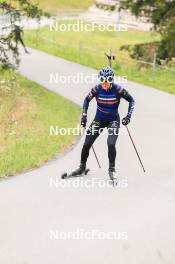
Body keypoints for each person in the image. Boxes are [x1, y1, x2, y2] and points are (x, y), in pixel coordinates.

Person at [74, 66, 135, 183]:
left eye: (106, 81)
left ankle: (112, 169)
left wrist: (128, 116)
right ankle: (82, 167)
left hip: (113, 120)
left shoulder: (118, 90)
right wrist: (84, 116)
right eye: (101, 80)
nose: (104, 84)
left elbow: (132, 100)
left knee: (111, 143)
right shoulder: (96, 89)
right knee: (87, 143)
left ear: (111, 80)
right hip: (99, 120)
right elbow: (86, 100)